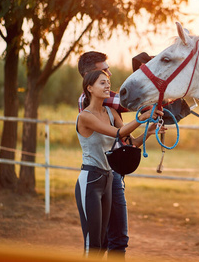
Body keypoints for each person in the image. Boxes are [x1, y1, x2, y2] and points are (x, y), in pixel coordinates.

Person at [75, 69, 165, 258]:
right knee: (93, 246)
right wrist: (141, 118)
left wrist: (148, 132)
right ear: (89, 88)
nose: (108, 85)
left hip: (108, 179)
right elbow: (118, 133)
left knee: (104, 243)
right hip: (90, 180)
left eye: (108, 82)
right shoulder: (85, 116)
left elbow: (129, 142)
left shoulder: (111, 112)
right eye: (102, 82)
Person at [77, 51, 131, 259]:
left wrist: (150, 127)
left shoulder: (109, 109)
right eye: (104, 72)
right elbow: (127, 104)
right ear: (89, 80)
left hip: (109, 175)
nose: (109, 75)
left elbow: (128, 140)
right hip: (95, 176)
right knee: (98, 244)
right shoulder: (87, 107)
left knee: (113, 239)